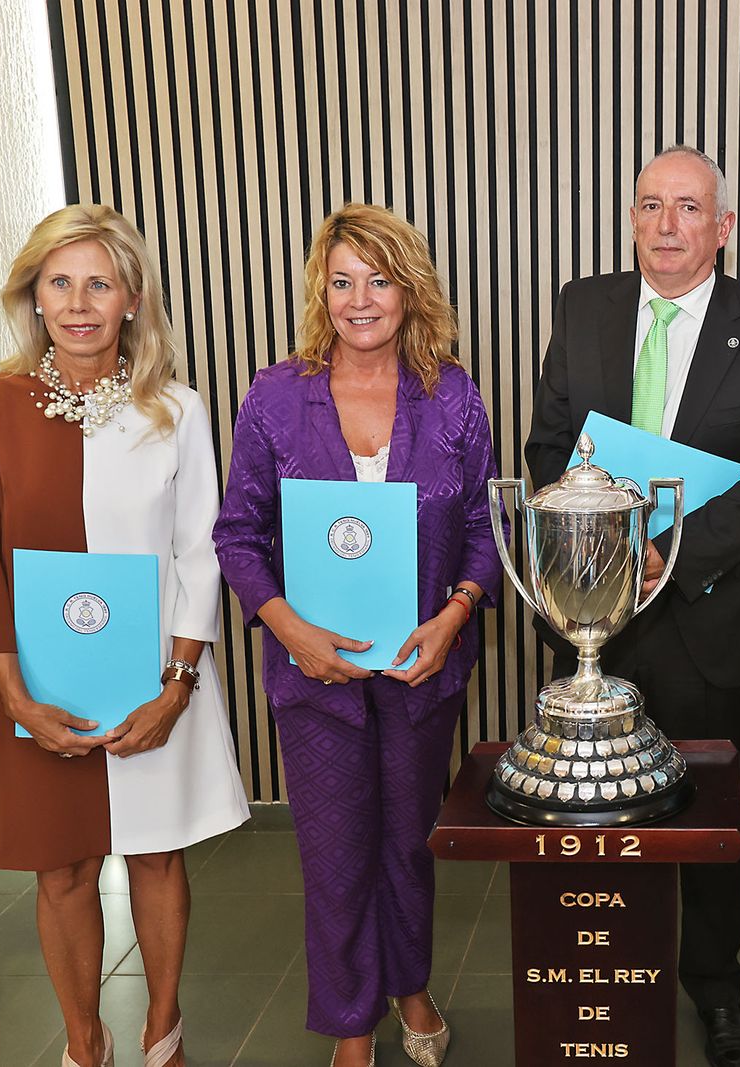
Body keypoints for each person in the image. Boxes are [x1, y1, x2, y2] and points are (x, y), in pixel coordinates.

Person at [524, 145, 740, 1067]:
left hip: (709, 616)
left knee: (705, 820)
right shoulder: (584, 306)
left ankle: (715, 990)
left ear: (722, 228)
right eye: (650, 205)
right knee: (599, 816)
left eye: (688, 208)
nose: (666, 225)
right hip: (594, 618)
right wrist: (603, 552)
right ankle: (613, 974)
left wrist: (668, 554)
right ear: (633, 218)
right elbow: (548, 444)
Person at [0, 204, 251, 1067]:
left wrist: (178, 685)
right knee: (64, 872)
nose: (79, 302)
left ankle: (164, 1028)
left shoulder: (178, 409)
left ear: (131, 298)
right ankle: (86, 1042)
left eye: (100, 282)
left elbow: (202, 549)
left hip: (162, 679)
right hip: (39, 689)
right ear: (34, 297)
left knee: (158, 858)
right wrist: (15, 696)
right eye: (60, 282)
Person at [213, 203, 499, 1067]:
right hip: (314, 674)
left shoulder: (451, 396)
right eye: (342, 281)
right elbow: (238, 534)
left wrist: (455, 614)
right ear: (320, 290)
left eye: (379, 279)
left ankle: (410, 985)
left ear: (410, 290)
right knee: (334, 852)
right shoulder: (274, 396)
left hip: (420, 668)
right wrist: (291, 628)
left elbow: (487, 529)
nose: (360, 299)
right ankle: (349, 1021)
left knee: (408, 842)